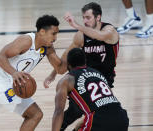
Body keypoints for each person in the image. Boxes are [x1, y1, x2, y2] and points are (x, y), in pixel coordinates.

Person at [44, 2, 119, 130]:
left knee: (95, 112)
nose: (85, 21)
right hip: (84, 79)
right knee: (77, 111)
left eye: (88, 18)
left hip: (104, 80)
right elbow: (66, 57)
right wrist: (52, 74)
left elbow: (100, 36)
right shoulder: (80, 35)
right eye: (83, 17)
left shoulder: (109, 31)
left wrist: (76, 25)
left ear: (98, 17)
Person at [52, 48, 129, 131]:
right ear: (85, 61)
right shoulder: (98, 74)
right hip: (122, 118)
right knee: (81, 125)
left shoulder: (66, 80)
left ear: (68, 65)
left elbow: (59, 112)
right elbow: (106, 104)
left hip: (99, 120)